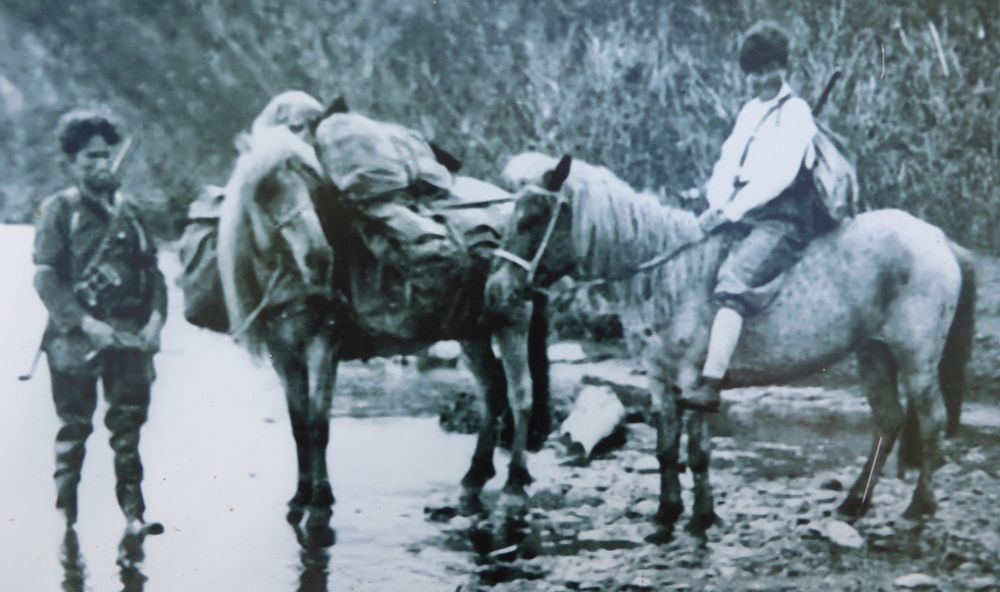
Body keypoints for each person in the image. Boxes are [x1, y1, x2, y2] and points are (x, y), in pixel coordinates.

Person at [33, 108, 167, 536]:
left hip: (128, 333)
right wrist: (86, 324)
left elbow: (154, 273)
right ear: (71, 164)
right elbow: (46, 278)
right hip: (74, 339)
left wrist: (156, 321)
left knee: (129, 428)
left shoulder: (131, 212)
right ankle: (67, 520)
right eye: (90, 157)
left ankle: (134, 515)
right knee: (74, 427)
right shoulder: (59, 210)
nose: (101, 163)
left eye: (106, 154)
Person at [681, 22, 821, 412]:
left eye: (769, 69)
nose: (761, 79)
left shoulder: (795, 113)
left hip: (782, 217)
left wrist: (732, 209)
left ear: (784, 68)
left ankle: (712, 383)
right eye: (754, 72)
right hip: (742, 211)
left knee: (734, 277)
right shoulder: (750, 112)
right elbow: (727, 163)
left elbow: (780, 176)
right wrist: (717, 204)